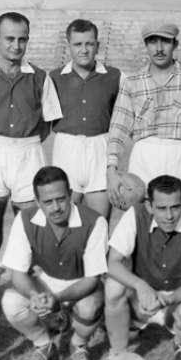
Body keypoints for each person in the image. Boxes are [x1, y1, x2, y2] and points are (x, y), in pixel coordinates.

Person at [0, 11, 63, 245]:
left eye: (22, 39)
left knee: (31, 226)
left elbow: (48, 121)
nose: (16, 46)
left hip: (29, 154)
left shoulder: (40, 78)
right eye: (9, 39)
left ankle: (26, 278)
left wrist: (24, 141)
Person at [1, 166, 108, 360]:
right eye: (47, 202)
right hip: (46, 280)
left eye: (60, 199)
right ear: (37, 201)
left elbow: (92, 279)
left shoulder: (95, 221)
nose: (56, 207)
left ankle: (78, 344)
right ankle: (43, 344)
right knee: (11, 301)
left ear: (70, 194)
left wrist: (57, 299)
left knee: (91, 306)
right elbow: (17, 273)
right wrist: (33, 295)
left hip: (81, 282)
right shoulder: (24, 219)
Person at [105, 175, 181, 360]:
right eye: (161, 208)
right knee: (113, 286)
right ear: (149, 206)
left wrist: (167, 299)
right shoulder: (135, 215)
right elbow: (113, 263)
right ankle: (119, 353)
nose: (169, 215)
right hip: (140, 299)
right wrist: (140, 285)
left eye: (176, 207)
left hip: (176, 300)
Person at [106, 22, 181, 214]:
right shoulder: (132, 82)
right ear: (146, 45)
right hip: (144, 156)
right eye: (152, 42)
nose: (159, 49)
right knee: (142, 225)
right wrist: (111, 168)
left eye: (165, 42)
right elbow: (118, 126)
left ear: (175, 44)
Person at [49, 19, 122, 218]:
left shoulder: (115, 76)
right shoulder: (54, 78)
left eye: (89, 44)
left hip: (100, 146)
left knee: (99, 223)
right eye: (78, 44)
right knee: (63, 220)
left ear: (97, 45)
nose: (84, 50)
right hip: (66, 148)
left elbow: (123, 119)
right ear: (69, 46)